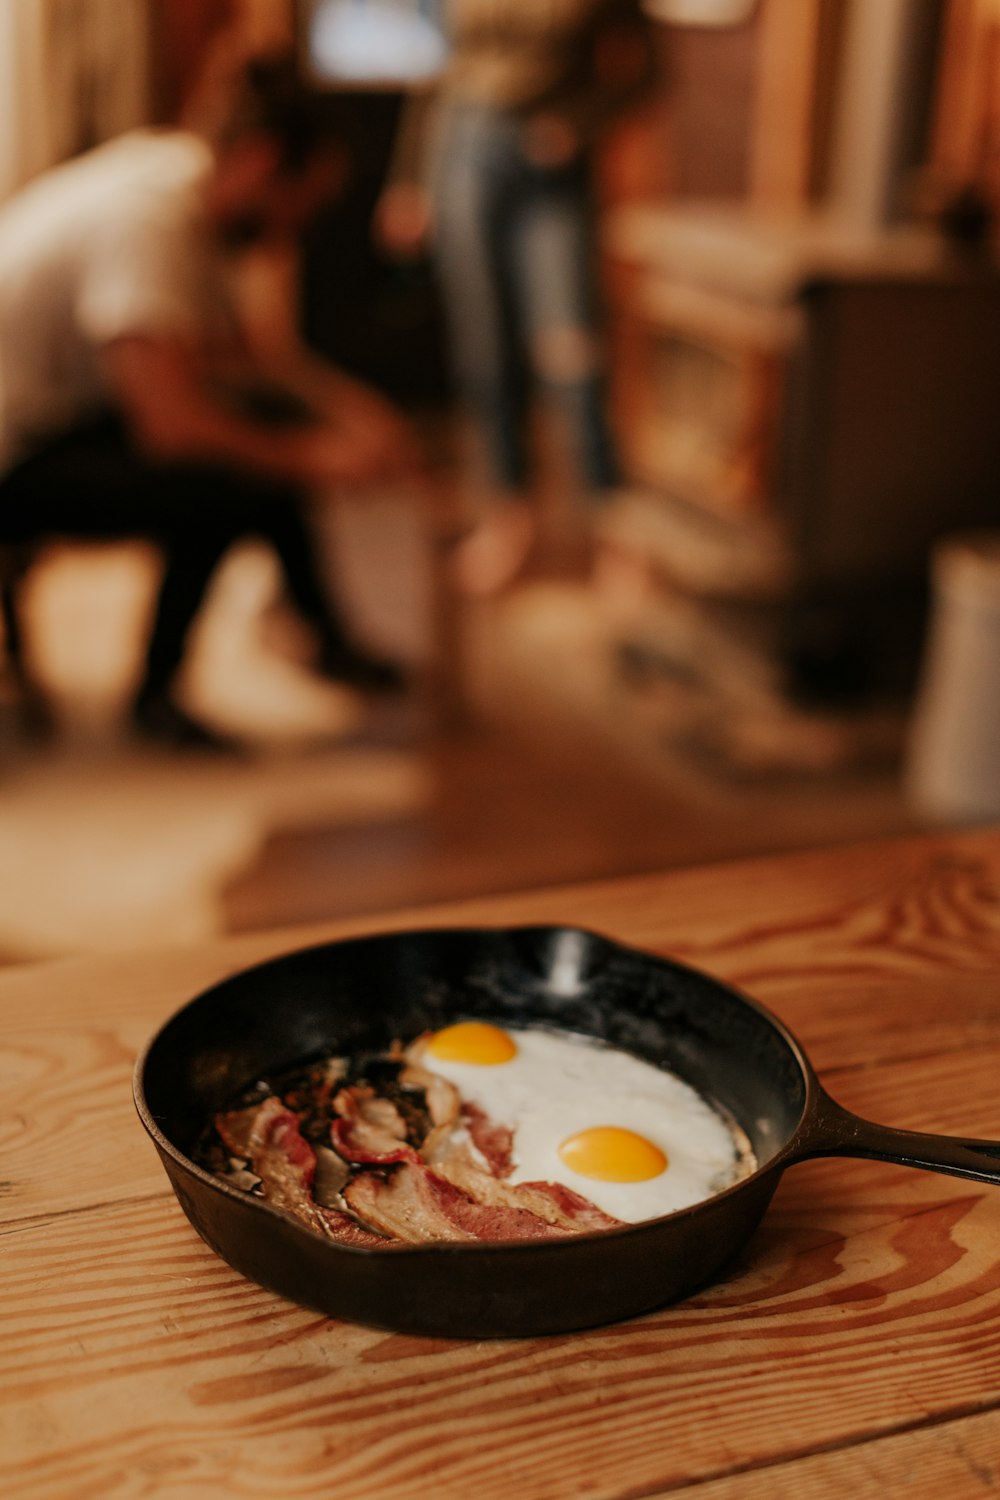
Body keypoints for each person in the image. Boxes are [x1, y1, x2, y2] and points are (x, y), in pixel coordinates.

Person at [0, 54, 425, 749]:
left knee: (260, 442)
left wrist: (349, 410)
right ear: (261, 163)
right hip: (12, 454)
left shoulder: (178, 178)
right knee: (230, 477)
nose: (297, 226)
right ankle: (157, 697)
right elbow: (172, 428)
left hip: (49, 423)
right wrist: (314, 460)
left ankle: (326, 639)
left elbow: (245, 357)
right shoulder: (144, 226)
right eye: (303, 201)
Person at [378, 0, 658, 594]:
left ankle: (612, 528)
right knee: (483, 349)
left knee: (572, 353)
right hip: (464, 150)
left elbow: (647, 73)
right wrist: (409, 176)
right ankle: (508, 518)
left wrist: (577, 126)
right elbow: (436, 73)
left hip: (550, 169)